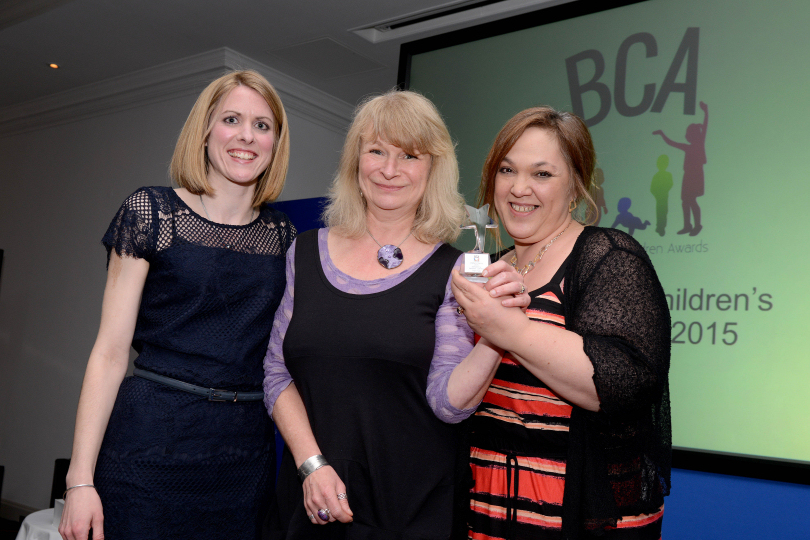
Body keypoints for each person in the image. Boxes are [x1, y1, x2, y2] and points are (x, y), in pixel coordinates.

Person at [262, 89, 528, 540]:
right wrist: (312, 465)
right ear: (355, 161)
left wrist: (497, 333)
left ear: (433, 169)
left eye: (409, 155)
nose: (389, 169)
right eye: (376, 151)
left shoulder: (457, 270)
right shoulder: (303, 252)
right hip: (313, 498)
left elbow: (449, 405)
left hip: (410, 510)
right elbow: (275, 372)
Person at [59, 70, 296, 540]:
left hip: (243, 454)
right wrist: (79, 479)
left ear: (276, 143)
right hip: (148, 442)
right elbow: (109, 353)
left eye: (262, 125)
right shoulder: (151, 212)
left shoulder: (284, 237)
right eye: (231, 119)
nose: (247, 136)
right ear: (205, 131)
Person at [451, 107, 671, 539]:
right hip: (486, 508)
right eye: (507, 170)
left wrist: (510, 329)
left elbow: (621, 385)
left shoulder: (609, 255)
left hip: (574, 516)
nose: (519, 188)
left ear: (575, 185)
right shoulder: (487, 267)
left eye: (542, 174)